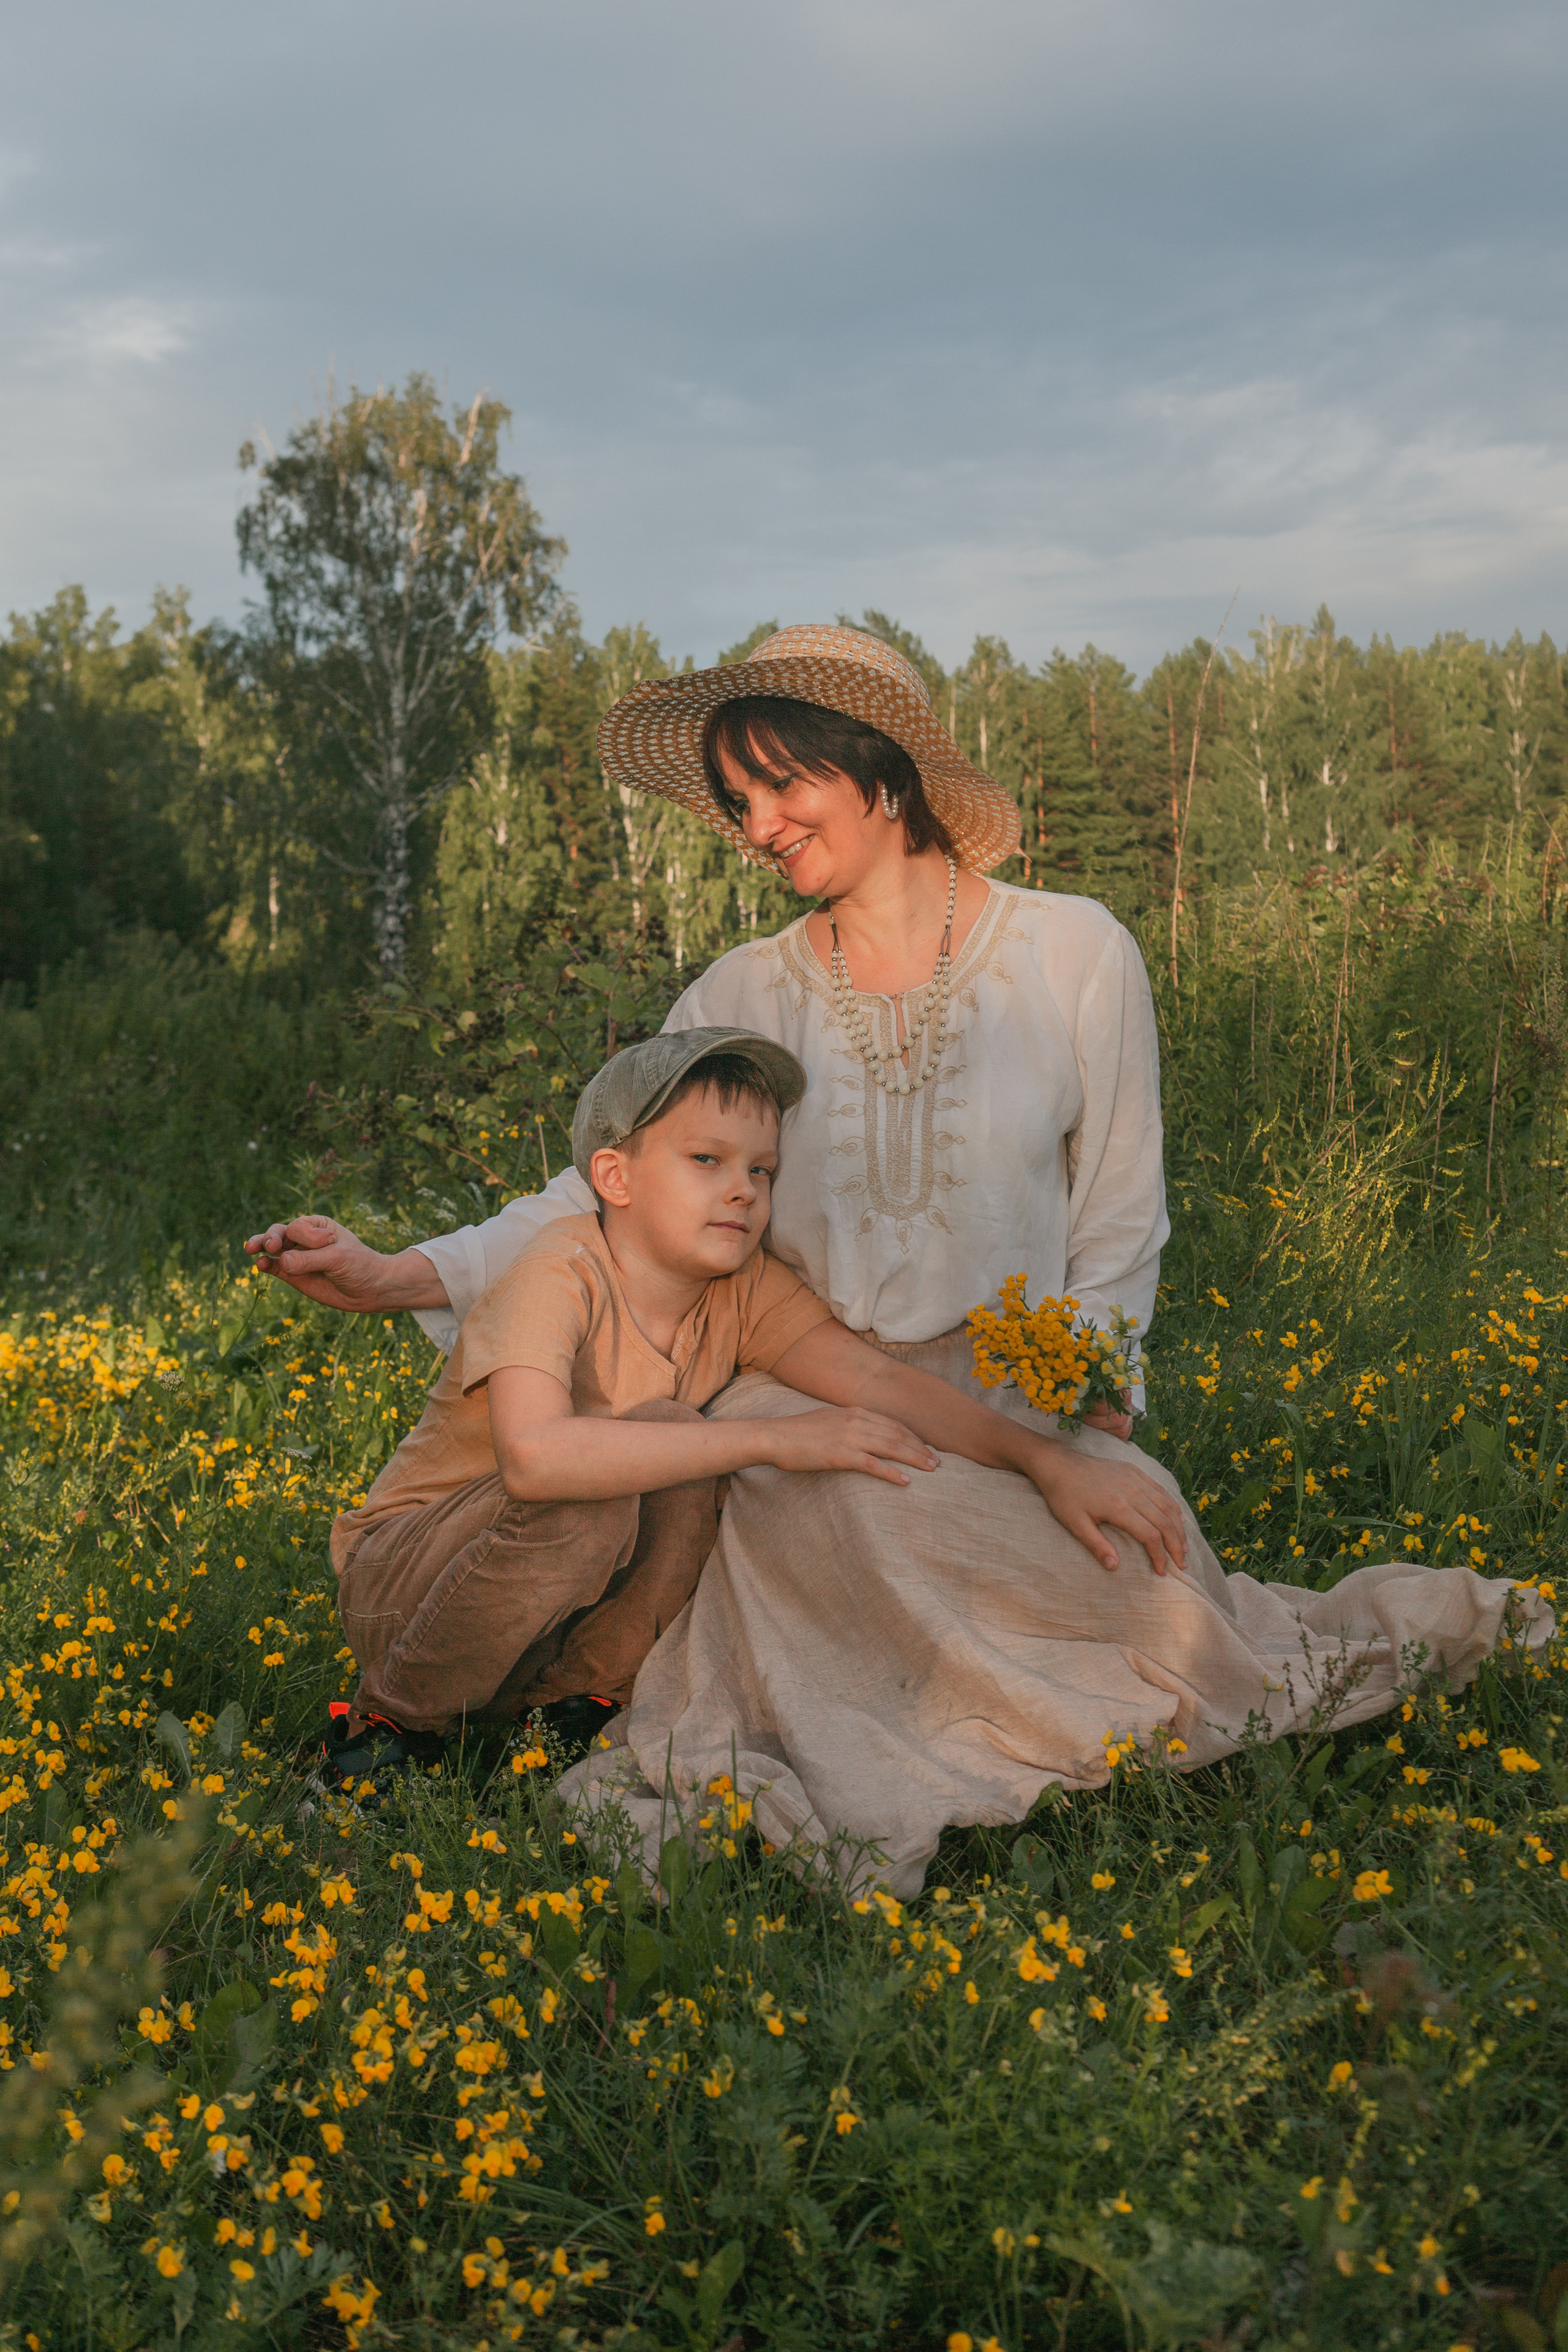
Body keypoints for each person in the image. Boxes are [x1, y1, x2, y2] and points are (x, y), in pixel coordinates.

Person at [252, 624, 1552, 1890]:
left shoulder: (1074, 954)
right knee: (854, 1505)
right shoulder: (735, 997)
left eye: (777, 783)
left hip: (1008, 1392)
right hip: (800, 1386)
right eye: (733, 801)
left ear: (880, 765)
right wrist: (397, 1271)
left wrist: (1089, 1393)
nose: (753, 826)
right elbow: (605, 1200)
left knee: (1137, 1589)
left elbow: (1117, 1214)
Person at [321, 1023, 1187, 1792]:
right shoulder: (560, 1269)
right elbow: (535, 1459)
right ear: (615, 1177)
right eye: (707, 1161)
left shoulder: (740, 1289)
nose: (743, 1191)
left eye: (761, 1170)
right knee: (671, 1441)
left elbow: (882, 1384)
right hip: (411, 1588)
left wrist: (1046, 1458)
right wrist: (773, 1435)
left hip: (551, 1602)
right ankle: (392, 1727)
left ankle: (564, 1714)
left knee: (682, 1453)